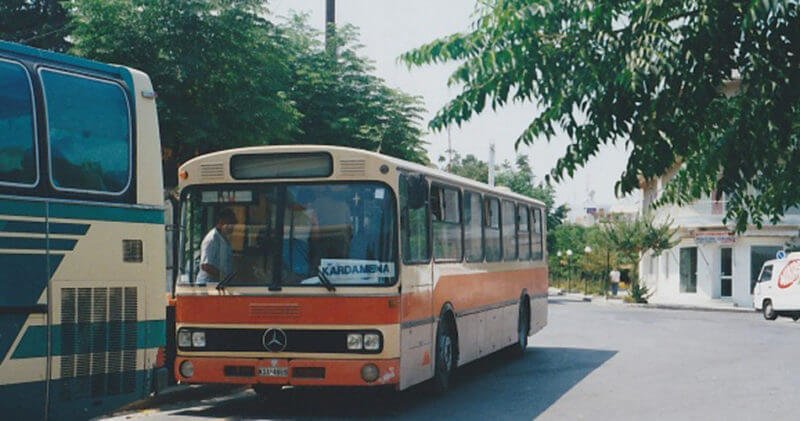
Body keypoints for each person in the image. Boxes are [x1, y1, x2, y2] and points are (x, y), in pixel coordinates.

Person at [196, 208, 237, 286]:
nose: (233, 227)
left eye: (234, 224)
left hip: (221, 285)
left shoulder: (224, 239)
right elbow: (205, 266)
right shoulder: (212, 239)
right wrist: (224, 277)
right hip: (207, 287)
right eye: (230, 223)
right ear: (221, 222)